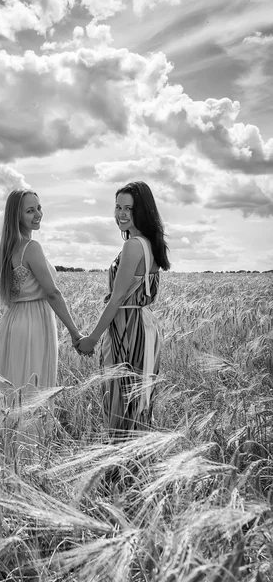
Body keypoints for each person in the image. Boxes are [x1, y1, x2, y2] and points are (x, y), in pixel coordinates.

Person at [74, 181, 170, 438]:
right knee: (138, 403)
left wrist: (91, 339)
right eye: (118, 207)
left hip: (126, 327)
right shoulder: (150, 244)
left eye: (129, 208)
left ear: (143, 211)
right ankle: (136, 466)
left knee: (119, 400)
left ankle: (119, 469)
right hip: (144, 327)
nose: (121, 214)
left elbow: (117, 299)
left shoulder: (133, 245)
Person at [0, 188, 82, 453]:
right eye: (30, 210)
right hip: (33, 323)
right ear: (16, 216)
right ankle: (30, 454)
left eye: (39, 207)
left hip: (12, 323)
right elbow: (52, 292)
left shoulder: (7, 249)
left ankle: (10, 451)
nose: (38, 214)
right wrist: (76, 334)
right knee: (33, 389)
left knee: (15, 391)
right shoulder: (31, 247)